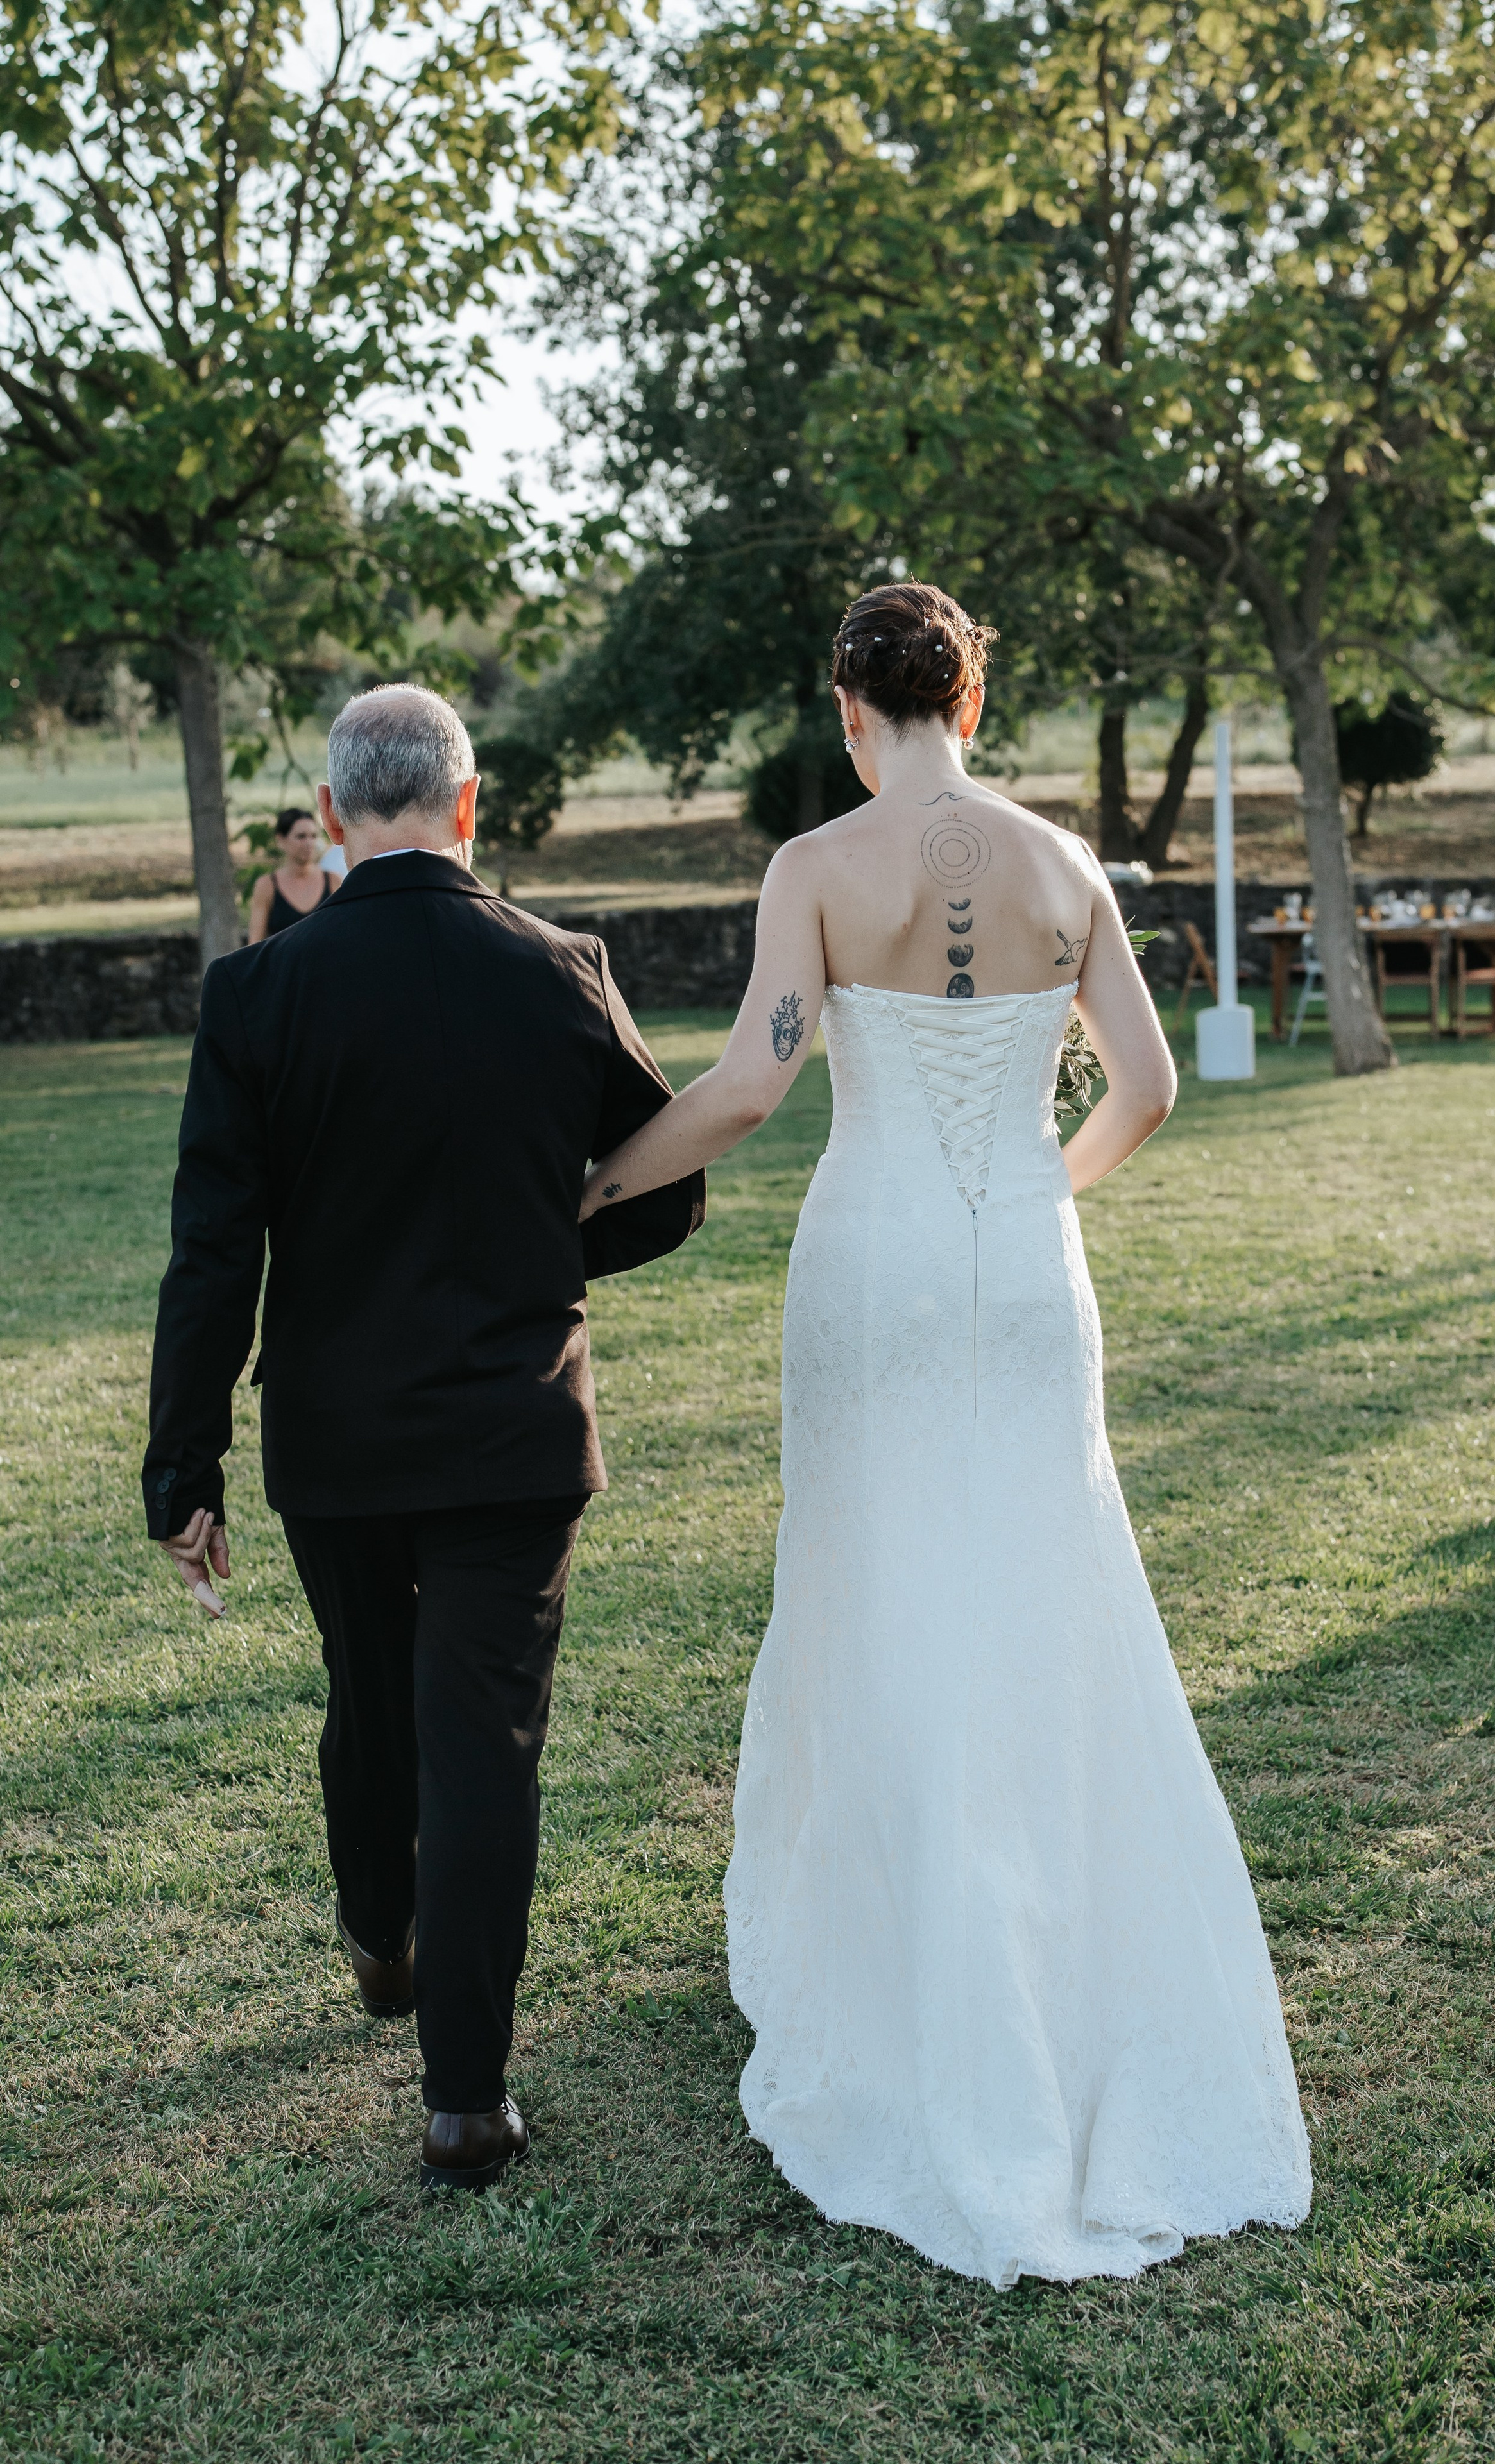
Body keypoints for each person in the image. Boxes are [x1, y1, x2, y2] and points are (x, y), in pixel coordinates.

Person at [579, 582, 1311, 2288]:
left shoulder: (816, 869)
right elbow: (1148, 1089)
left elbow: (756, 1085)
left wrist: (603, 1180)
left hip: (875, 1268)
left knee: (880, 1599)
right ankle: (1066, 1960)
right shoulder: (1066, 869)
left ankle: (917, 1971)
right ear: (969, 698)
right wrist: (1033, 1204)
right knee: (1047, 1607)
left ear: (853, 705)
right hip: (1025, 1284)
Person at [143, 685, 705, 2191]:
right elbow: (663, 1188)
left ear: (334, 819)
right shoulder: (558, 969)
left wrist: (178, 1472)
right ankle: (463, 2098)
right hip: (513, 1427)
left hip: (333, 1439)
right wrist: (540, 1248)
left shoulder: (258, 992)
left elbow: (213, 1252)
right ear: (470, 807)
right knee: (482, 1742)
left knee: (370, 1693)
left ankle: (381, 1934)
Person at [246, 806, 334, 939]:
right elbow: (255, 942)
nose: (309, 843)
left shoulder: (334, 881)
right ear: (281, 840)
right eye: (301, 837)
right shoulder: (267, 885)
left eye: (313, 836)